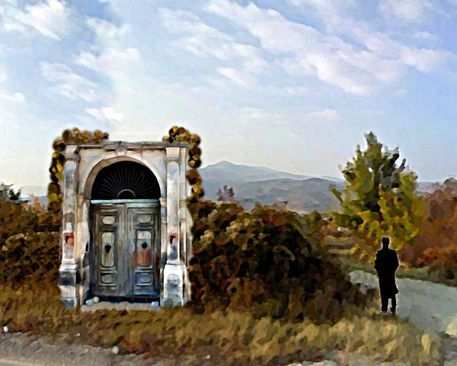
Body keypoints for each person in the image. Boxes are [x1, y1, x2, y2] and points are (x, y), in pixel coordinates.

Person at [374, 236, 399, 315]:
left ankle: (384, 308)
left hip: (383, 276)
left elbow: (376, 265)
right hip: (390, 275)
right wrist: (392, 271)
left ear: (382, 243)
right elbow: (396, 264)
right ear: (388, 243)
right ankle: (393, 307)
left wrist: (380, 272)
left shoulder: (380, 253)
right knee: (392, 292)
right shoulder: (392, 253)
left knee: (383, 292)